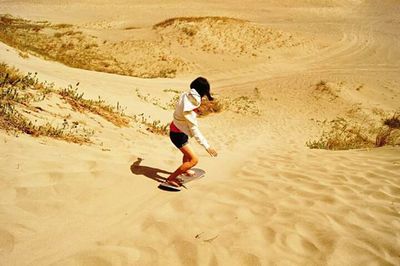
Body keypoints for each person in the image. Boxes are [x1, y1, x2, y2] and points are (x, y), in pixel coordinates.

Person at [165, 77, 218, 187]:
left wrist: (195, 109)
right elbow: (195, 130)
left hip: (180, 130)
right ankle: (170, 178)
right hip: (177, 134)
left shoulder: (186, 95)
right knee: (194, 160)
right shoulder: (189, 113)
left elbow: (183, 108)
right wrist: (207, 146)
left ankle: (184, 170)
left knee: (187, 156)